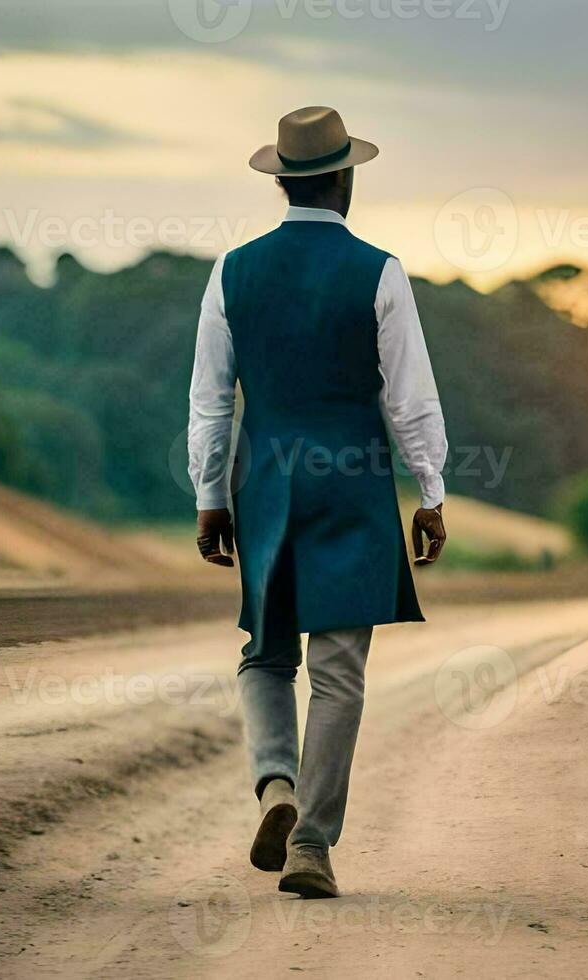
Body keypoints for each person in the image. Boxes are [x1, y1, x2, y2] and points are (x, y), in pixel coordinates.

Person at [186, 106, 448, 898]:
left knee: (266, 652)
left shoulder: (231, 270)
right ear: (345, 178)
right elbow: (410, 398)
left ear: (283, 182)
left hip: (264, 477)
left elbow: (211, 400)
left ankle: (277, 787)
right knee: (338, 672)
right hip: (354, 479)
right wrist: (430, 489)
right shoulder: (381, 270)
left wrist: (208, 496)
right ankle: (312, 846)